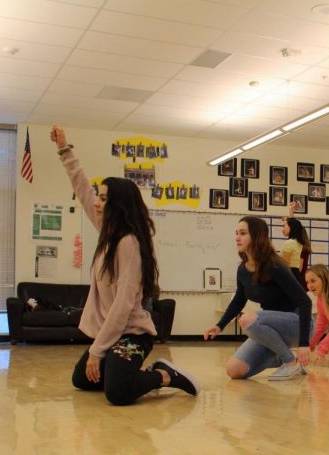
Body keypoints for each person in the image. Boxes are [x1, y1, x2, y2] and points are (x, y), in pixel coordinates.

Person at [49, 126, 198, 405]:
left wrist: (97, 351)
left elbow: (123, 303)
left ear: (117, 204)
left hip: (132, 334)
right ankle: (119, 368)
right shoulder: (109, 233)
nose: (96, 201)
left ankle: (164, 375)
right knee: (82, 380)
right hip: (112, 334)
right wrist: (64, 150)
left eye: (103, 198)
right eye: (99, 196)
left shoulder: (128, 243)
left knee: (117, 393)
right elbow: (82, 189)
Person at [204, 216, 312, 381]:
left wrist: (305, 344)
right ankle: (287, 357)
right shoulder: (242, 269)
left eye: (242, 233)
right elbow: (239, 300)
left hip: (298, 325)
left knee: (247, 319)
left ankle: (290, 362)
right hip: (270, 329)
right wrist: (219, 326)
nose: (237, 238)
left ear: (256, 236)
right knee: (234, 370)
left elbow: (305, 302)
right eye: (236, 233)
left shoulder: (274, 265)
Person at [282, 202, 311, 287]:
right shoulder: (297, 243)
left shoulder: (301, 247)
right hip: (297, 279)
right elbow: (293, 223)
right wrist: (291, 210)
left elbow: (299, 268)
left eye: (284, 226)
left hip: (297, 281)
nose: (283, 228)